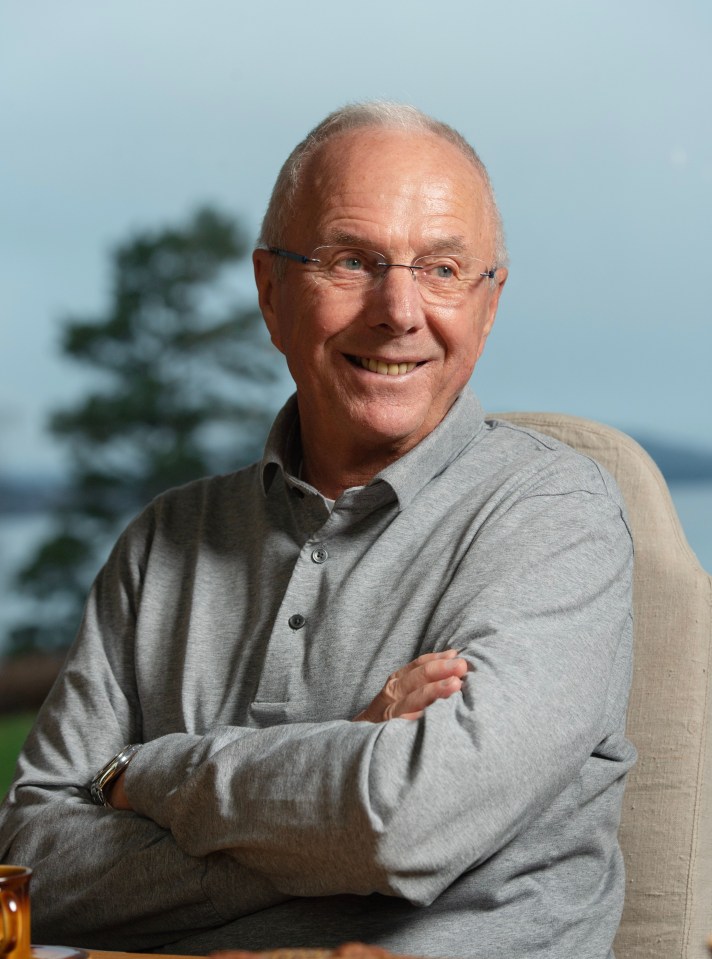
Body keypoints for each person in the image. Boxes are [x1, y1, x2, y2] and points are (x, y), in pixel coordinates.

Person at [0, 102, 635, 959]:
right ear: (270, 290)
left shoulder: (557, 519)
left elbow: (402, 822)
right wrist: (340, 782)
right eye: (352, 260)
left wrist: (136, 775)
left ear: (489, 305)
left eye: (444, 268)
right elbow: (29, 863)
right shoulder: (164, 541)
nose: (400, 310)